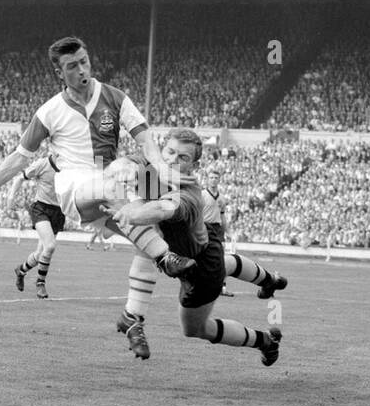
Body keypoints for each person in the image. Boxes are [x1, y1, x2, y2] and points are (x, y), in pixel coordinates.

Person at [0, 36, 195, 279]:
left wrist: (161, 168)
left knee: (159, 228)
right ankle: (166, 259)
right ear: (59, 72)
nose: (82, 69)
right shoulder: (49, 112)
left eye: (84, 61)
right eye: (72, 66)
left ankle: (139, 311)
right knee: (117, 189)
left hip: (107, 176)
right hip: (74, 186)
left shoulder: (115, 97)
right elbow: (20, 157)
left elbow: (146, 139)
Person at [108, 128, 282, 366]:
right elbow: (119, 165)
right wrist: (120, 169)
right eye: (169, 152)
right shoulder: (152, 167)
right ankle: (269, 280)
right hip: (198, 244)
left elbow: (162, 209)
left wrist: (131, 212)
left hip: (200, 268)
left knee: (195, 328)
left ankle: (265, 341)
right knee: (225, 262)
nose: (172, 160)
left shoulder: (188, 193)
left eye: (183, 158)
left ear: (194, 167)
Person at [7, 153, 62, 298]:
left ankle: (21, 270)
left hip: (58, 212)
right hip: (41, 208)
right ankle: (40, 283)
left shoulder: (71, 165)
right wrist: (11, 198)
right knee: (50, 246)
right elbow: (19, 178)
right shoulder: (42, 164)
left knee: (40, 254)